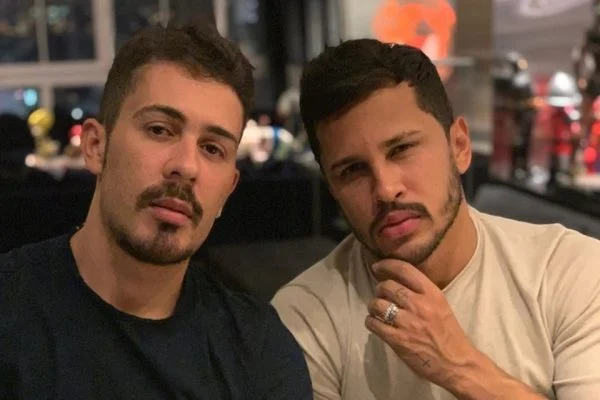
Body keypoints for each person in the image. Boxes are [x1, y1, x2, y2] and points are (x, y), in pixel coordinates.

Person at [271, 39, 600, 399]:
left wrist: (458, 366)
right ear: (332, 188)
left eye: (401, 149)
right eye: (352, 170)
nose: (386, 189)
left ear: (459, 146)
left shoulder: (570, 271)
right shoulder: (303, 317)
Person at [0, 20, 312, 399]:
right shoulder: (11, 314)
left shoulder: (259, 351)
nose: (186, 166)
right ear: (96, 147)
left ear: (228, 191)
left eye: (212, 148)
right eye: (160, 130)